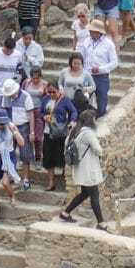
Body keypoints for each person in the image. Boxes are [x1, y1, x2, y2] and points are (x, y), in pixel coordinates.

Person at [58, 94, 107, 229]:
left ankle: (65, 213)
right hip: (89, 170)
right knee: (94, 196)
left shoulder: (74, 131)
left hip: (80, 169)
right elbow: (98, 150)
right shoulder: (88, 133)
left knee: (85, 193)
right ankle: (101, 223)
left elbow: (67, 144)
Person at [41, 88, 77, 191]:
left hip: (61, 133)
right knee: (48, 158)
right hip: (48, 132)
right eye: (49, 92)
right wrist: (44, 117)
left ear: (58, 90)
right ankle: (51, 183)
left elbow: (73, 110)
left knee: (63, 156)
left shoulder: (64, 100)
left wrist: (72, 121)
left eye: (53, 92)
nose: (51, 94)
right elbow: (41, 113)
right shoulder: (45, 100)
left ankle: (67, 182)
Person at [85, 18, 118, 118]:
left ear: (97, 32)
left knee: (102, 104)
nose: (90, 33)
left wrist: (100, 69)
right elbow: (83, 57)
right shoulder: (86, 41)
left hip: (101, 77)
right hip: (88, 76)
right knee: (83, 100)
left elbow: (114, 62)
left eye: (92, 31)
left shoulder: (109, 44)